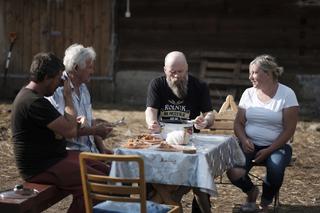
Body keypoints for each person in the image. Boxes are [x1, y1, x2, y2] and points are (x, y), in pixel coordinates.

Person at [11, 52, 108, 213]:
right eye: (58, 79)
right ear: (48, 77)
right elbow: (70, 131)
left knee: (106, 171)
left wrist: (70, 124)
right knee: (99, 184)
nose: (59, 84)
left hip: (56, 157)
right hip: (41, 166)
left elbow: (64, 128)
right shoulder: (33, 102)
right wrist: (68, 96)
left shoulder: (35, 97)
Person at [226, 55, 299, 212]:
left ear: (268, 73)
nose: (250, 77)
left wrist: (269, 150)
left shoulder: (287, 94)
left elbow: (289, 129)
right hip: (249, 145)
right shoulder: (248, 93)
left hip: (277, 146)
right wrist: (244, 140)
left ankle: (265, 203)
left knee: (276, 167)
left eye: (254, 72)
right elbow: (238, 123)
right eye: (250, 73)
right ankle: (251, 191)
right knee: (233, 171)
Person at [145, 51, 214, 213]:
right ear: (165, 70)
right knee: (148, 165)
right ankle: (152, 203)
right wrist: (152, 122)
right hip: (163, 141)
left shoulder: (199, 86)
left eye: (180, 72)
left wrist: (205, 121)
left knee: (201, 170)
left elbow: (209, 114)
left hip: (190, 142)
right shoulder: (157, 84)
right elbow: (150, 109)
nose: (176, 76)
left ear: (187, 69)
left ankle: (186, 203)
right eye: (172, 72)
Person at [47, 44, 113, 155]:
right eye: (90, 67)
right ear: (76, 68)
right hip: (72, 155)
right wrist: (96, 130)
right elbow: (64, 131)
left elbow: (90, 122)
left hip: (91, 152)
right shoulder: (58, 91)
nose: (92, 71)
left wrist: (102, 150)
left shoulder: (83, 88)